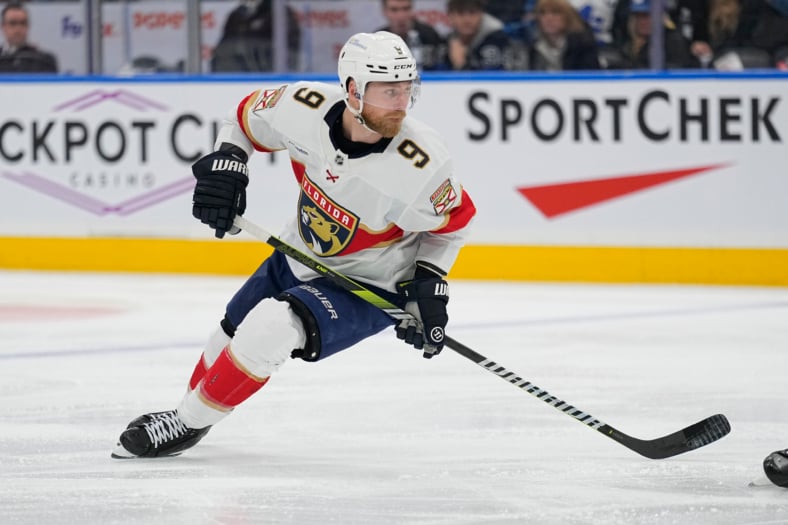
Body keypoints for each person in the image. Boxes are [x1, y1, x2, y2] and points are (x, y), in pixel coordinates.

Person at [112, 31, 477, 459]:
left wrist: (429, 282)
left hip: (368, 285)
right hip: (298, 252)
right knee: (227, 336)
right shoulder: (302, 106)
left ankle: (183, 423)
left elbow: (454, 225)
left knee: (271, 326)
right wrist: (229, 162)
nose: (401, 103)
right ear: (353, 90)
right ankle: (191, 416)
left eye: (407, 89)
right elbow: (243, 119)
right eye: (388, 91)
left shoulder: (422, 165)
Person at [211, 0, 301, 72]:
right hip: (237, 72)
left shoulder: (280, 13)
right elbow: (224, 46)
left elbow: (290, 49)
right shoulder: (236, 14)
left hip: (266, 73)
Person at [442, 0, 527, 70]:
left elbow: (490, 80)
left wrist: (461, 64)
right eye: (460, 13)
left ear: (481, 14)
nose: (467, 20)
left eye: (472, 13)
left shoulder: (497, 40)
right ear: (450, 16)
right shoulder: (447, 41)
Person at [615, 0, 698, 68]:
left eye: (648, 17)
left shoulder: (673, 41)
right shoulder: (627, 43)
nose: (643, 22)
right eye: (639, 17)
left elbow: (676, 70)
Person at [528, 0, 601, 70]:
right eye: (543, 13)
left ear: (568, 17)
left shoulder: (583, 45)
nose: (548, 18)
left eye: (555, 12)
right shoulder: (534, 47)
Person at [376, 0, 447, 70]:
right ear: (384, 11)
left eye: (406, 9)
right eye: (394, 10)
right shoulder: (377, 39)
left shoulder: (429, 35)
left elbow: (442, 68)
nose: (401, 16)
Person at [0, 1, 57, 73]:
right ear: (3, 27)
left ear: (28, 26)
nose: (18, 29)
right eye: (13, 23)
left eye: (23, 23)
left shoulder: (44, 60)